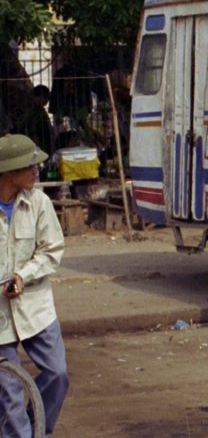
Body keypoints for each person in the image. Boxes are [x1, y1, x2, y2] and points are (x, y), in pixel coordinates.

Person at [0, 134, 69, 437]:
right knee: (10, 388)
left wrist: (22, 276)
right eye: (29, 167)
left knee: (58, 375)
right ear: (8, 172)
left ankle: (35, 430)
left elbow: (51, 250)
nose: (35, 172)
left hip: (36, 307)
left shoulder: (39, 202)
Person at [14, 85, 55, 154]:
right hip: (37, 142)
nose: (47, 101)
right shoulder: (33, 111)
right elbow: (30, 127)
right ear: (41, 96)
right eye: (46, 97)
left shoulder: (38, 110)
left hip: (42, 142)